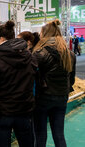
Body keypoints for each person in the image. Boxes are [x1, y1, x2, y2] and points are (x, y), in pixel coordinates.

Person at [0, 21, 36, 147]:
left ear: (0, 39)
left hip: (3, 114)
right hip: (25, 112)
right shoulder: (30, 58)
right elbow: (36, 84)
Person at [32, 19, 76, 147]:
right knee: (59, 134)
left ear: (44, 33)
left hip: (42, 98)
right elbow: (71, 79)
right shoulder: (69, 54)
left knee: (40, 135)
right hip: (62, 96)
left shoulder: (39, 53)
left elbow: (34, 78)